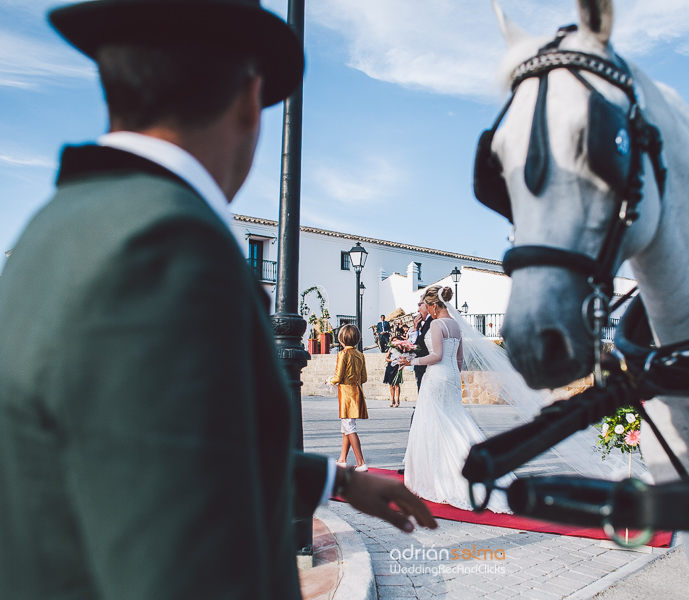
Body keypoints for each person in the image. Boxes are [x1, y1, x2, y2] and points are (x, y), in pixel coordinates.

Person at [0, 2, 436, 598]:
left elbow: (174, 447)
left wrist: (338, 481)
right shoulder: (169, 242)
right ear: (249, 99)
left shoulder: (55, 226)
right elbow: (176, 544)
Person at [398, 286, 514, 513]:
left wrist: (410, 362)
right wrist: (453, 378)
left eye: (427, 306)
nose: (427, 310)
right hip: (451, 377)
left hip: (436, 377)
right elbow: (459, 358)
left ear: (433, 305)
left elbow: (436, 356)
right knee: (453, 421)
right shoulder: (456, 324)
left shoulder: (436, 324)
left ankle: (438, 477)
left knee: (432, 425)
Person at [330, 325, 369, 471]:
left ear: (341, 340)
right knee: (346, 426)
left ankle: (361, 462)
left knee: (349, 426)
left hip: (346, 394)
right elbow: (363, 378)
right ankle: (342, 459)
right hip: (357, 392)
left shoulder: (342, 354)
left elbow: (338, 377)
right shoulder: (360, 355)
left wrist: (329, 381)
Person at [411, 299, 432, 390]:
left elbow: (420, 348)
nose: (418, 310)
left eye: (420, 305)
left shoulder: (432, 322)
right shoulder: (425, 324)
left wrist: (411, 362)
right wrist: (416, 329)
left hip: (426, 371)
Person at [384, 333, 404, 407]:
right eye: (393, 341)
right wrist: (390, 360)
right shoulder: (390, 349)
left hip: (397, 366)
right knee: (391, 385)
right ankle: (392, 400)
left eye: (396, 340)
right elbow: (386, 358)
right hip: (390, 366)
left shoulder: (401, 349)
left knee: (396, 384)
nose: (394, 342)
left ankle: (397, 401)